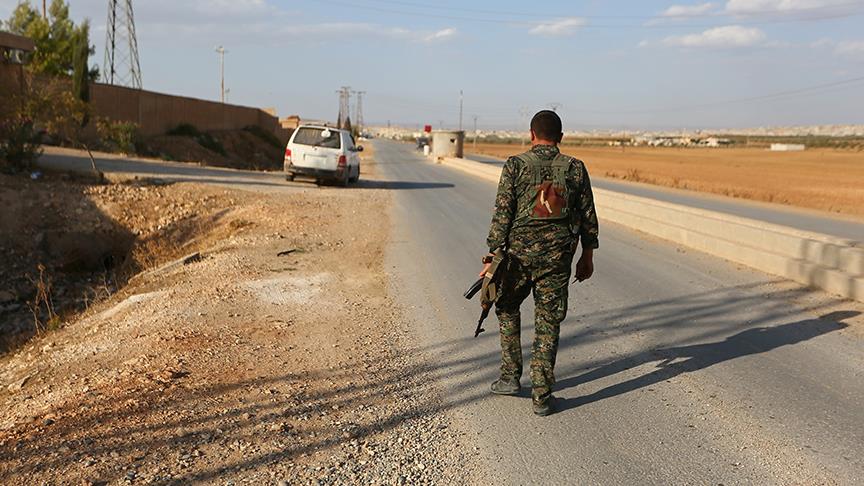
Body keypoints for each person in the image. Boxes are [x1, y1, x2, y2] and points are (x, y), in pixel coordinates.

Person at [480, 110, 599, 416]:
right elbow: (588, 215)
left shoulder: (515, 165)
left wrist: (493, 259)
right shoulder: (575, 167)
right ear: (561, 137)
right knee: (548, 320)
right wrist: (587, 255)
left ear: (531, 134)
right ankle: (541, 396)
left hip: (517, 258)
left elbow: (502, 214)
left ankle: (510, 376)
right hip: (557, 259)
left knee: (507, 307)